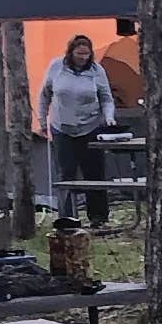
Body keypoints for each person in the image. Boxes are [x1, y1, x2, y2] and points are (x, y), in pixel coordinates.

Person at [36, 31, 117, 224]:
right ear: (71, 53)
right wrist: (41, 121)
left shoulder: (97, 71)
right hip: (62, 128)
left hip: (90, 127)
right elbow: (44, 95)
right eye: (79, 54)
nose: (83, 58)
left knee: (94, 173)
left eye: (86, 54)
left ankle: (98, 217)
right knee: (66, 174)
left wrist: (109, 117)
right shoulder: (56, 67)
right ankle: (68, 218)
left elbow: (106, 98)